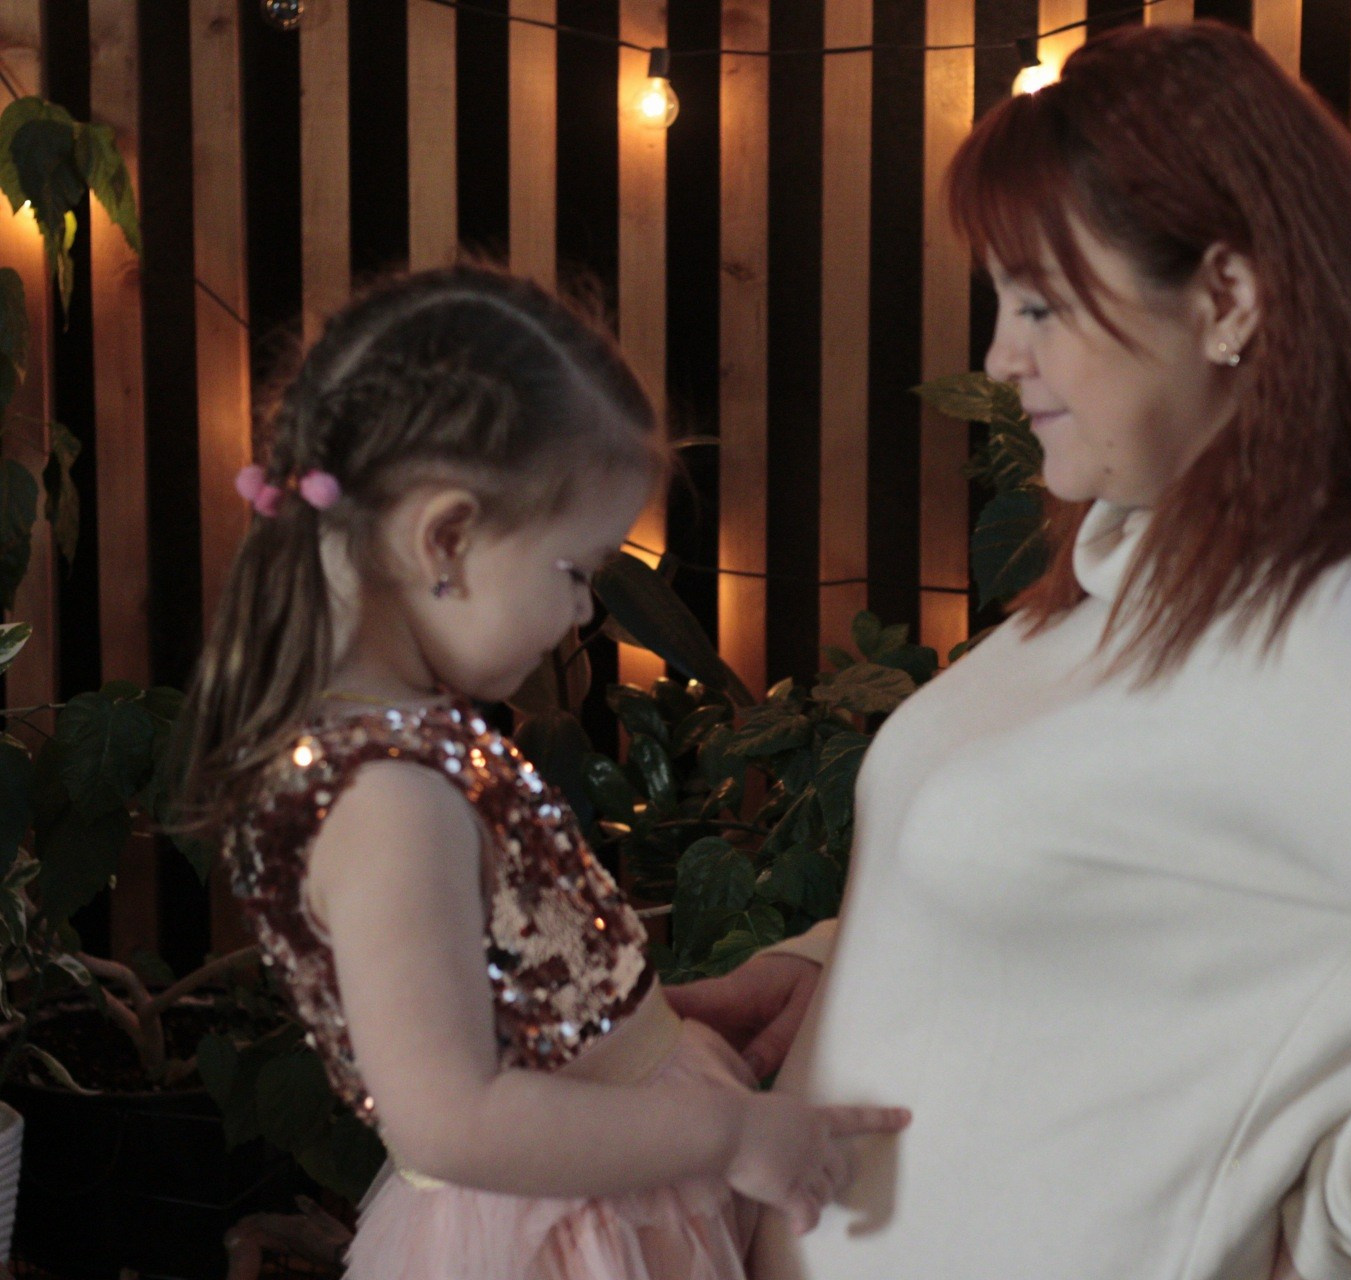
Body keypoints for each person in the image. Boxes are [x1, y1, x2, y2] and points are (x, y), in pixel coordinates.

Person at [738, 22, 1351, 1280]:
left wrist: (1343, 1237)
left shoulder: (1345, 609)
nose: (999, 357)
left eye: (1040, 303)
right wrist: (832, 966)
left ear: (1229, 299)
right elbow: (1144, 913)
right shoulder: (1136, 576)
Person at [173, 266, 908, 1280]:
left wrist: (650, 1023)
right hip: (561, 1238)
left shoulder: (411, 746)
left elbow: (510, 998)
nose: (582, 613)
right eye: (574, 571)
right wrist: (730, 1134)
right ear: (447, 538)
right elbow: (450, 1120)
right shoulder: (388, 801)